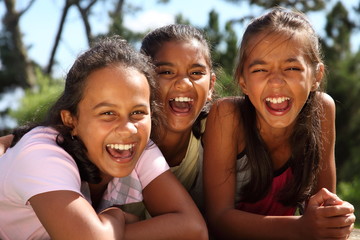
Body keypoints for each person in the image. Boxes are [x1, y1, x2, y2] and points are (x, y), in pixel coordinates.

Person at [0, 36, 208, 240]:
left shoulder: (136, 147)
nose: (128, 129)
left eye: (138, 113)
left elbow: (194, 229)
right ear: (71, 120)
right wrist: (114, 216)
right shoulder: (42, 154)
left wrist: (106, 230)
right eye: (108, 113)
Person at [202, 7, 355, 239]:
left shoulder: (322, 109)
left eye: (292, 68)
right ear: (242, 80)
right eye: (260, 69)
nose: (276, 82)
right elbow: (218, 218)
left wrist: (334, 217)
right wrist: (301, 227)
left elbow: (323, 203)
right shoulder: (227, 115)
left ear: (316, 76)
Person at [140, 24, 216, 211]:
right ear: (143, 80)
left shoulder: (216, 136)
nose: (183, 84)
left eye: (196, 73)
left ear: (211, 86)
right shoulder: (125, 138)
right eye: (166, 72)